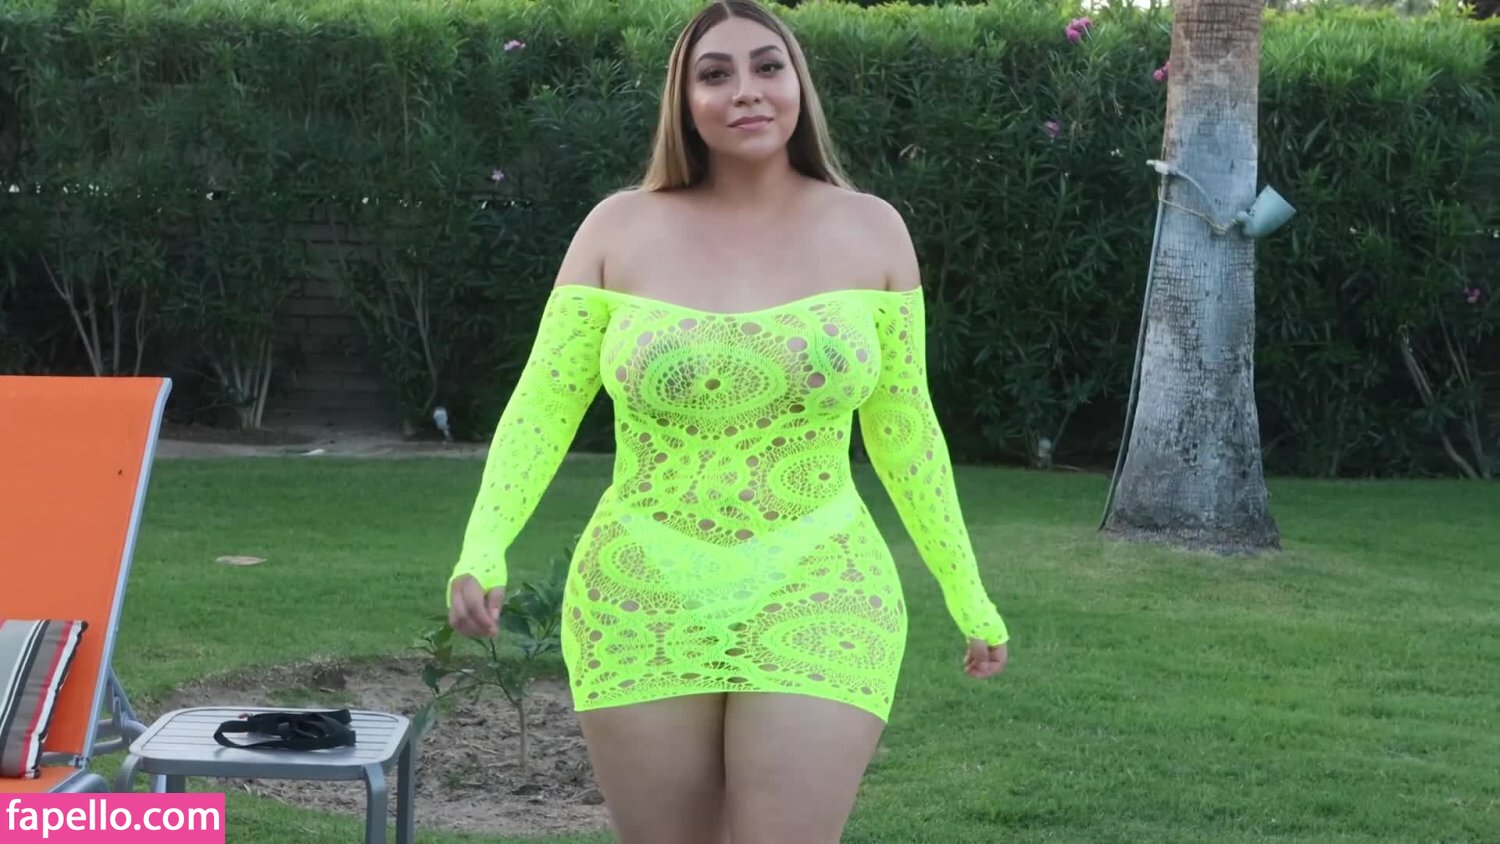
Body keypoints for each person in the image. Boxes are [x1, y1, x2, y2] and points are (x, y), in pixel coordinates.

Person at [446, 1, 1011, 841]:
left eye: (767, 66)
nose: (745, 89)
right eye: (715, 74)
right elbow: (543, 403)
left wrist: (968, 593)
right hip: (638, 585)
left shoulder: (873, 231)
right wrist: (483, 545)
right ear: (685, 101)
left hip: (822, 580)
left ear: (798, 86)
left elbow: (905, 429)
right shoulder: (616, 229)